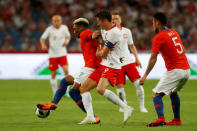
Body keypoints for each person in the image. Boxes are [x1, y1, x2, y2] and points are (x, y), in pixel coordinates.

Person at [37, 18, 101, 124]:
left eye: (75, 28)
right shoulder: (85, 34)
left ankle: (54, 103)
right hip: (89, 67)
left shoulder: (85, 33)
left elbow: (93, 34)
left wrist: (98, 34)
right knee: (72, 90)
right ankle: (93, 117)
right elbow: (94, 36)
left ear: (81, 27)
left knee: (67, 82)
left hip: (91, 68)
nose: (74, 31)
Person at [78, 10, 133, 125]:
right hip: (104, 65)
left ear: (104, 20)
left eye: (99, 21)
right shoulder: (103, 30)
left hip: (112, 66)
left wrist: (99, 52)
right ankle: (90, 117)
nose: (97, 24)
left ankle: (126, 107)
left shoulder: (115, 33)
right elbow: (102, 42)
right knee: (83, 88)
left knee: (100, 89)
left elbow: (103, 53)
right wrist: (99, 42)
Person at [139, 12, 190, 127]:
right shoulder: (174, 32)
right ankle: (177, 120)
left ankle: (161, 119)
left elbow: (153, 58)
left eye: (153, 22)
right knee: (173, 92)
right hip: (186, 70)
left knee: (156, 95)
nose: (152, 25)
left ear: (157, 22)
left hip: (175, 70)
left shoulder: (159, 37)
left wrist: (145, 75)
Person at [112, 14, 148, 113]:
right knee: (120, 88)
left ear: (121, 20)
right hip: (117, 64)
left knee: (138, 84)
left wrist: (137, 59)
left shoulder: (127, 31)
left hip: (129, 61)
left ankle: (142, 106)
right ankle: (124, 106)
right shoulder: (108, 33)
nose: (115, 20)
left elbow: (132, 46)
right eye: (113, 19)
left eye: (116, 18)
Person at [40, 15, 71, 94]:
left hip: (62, 53)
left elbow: (68, 36)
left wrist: (67, 41)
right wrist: (43, 45)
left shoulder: (64, 28)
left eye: (58, 20)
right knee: (53, 73)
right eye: (55, 21)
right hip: (53, 54)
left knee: (66, 71)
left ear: (61, 21)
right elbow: (42, 38)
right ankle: (55, 92)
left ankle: (66, 91)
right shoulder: (49, 29)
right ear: (52, 22)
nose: (56, 22)